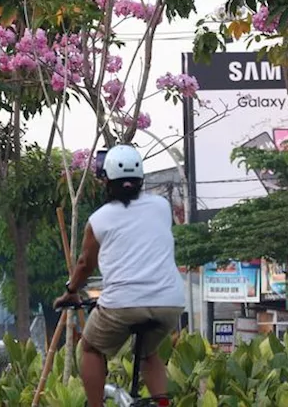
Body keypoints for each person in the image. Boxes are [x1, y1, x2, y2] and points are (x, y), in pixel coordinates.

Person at [55, 144, 184, 407]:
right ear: (141, 180)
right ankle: (161, 403)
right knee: (148, 353)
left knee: (91, 348)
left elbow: (85, 264)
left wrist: (71, 291)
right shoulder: (161, 206)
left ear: (105, 180)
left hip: (123, 304)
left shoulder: (99, 219)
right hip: (169, 303)